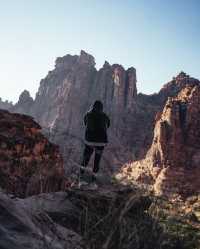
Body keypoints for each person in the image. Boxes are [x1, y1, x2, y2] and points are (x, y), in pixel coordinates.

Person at [80, 100, 110, 184]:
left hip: (89, 141)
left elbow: (85, 123)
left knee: (86, 158)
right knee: (97, 161)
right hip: (101, 142)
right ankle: (93, 180)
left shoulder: (88, 114)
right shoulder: (105, 115)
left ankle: (81, 176)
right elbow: (108, 125)